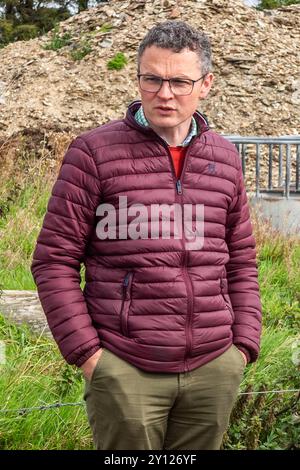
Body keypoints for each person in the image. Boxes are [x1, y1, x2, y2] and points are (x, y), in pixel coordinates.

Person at [31, 21, 262, 450]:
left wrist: (243, 344)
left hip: (214, 365)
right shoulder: (94, 153)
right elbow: (54, 261)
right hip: (126, 367)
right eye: (151, 79)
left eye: (179, 81)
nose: (164, 93)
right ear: (138, 77)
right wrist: (91, 357)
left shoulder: (225, 158)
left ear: (206, 84)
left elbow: (242, 259)